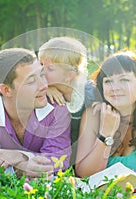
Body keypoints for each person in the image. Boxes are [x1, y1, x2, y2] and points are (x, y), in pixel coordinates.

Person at [0, 48, 71, 179]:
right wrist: (23, 169)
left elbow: (58, 159)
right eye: (31, 81)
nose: (44, 86)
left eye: (42, 75)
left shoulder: (56, 106)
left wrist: (20, 156)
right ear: (6, 90)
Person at [75, 51, 136, 185]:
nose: (115, 88)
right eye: (108, 81)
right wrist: (106, 134)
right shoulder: (93, 115)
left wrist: (122, 189)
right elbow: (83, 174)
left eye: (124, 80)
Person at [38, 37, 97, 167]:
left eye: (50, 68)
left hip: (85, 159)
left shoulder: (90, 97)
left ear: (69, 75)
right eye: (41, 64)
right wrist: (47, 88)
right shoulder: (43, 93)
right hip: (55, 156)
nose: (41, 71)